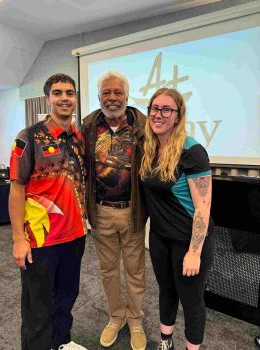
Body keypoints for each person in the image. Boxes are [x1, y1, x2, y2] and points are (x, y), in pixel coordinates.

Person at [9, 73, 88, 350]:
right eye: (58, 93)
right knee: (37, 309)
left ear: (76, 98)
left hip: (75, 236)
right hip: (41, 239)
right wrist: (19, 239)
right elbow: (17, 188)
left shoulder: (79, 138)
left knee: (66, 298)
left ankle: (62, 343)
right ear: (48, 98)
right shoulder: (28, 137)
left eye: (69, 92)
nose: (64, 98)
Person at [140, 88, 214, 350]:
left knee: (191, 299)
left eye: (166, 109)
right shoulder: (149, 147)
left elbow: (203, 208)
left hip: (189, 239)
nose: (158, 114)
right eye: (154, 108)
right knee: (166, 291)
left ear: (178, 115)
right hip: (160, 237)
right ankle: (166, 341)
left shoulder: (191, 151)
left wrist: (195, 251)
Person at [81, 71, 147, 350]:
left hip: (132, 211)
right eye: (106, 93)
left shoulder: (143, 125)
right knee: (108, 271)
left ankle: (135, 320)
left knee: (135, 271)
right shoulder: (87, 127)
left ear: (127, 96)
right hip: (101, 211)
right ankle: (115, 316)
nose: (111, 98)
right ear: (98, 98)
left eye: (117, 92)